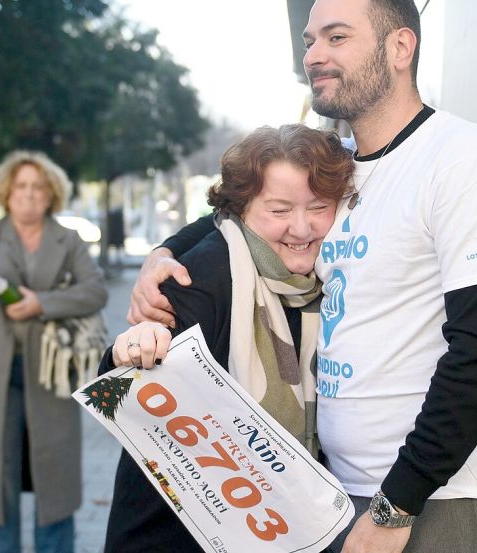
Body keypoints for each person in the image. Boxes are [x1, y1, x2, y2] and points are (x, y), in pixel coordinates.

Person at [127, 1, 477, 551]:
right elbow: (236, 212)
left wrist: (398, 505)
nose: (315, 56)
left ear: (400, 47)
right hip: (332, 493)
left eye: (337, 37)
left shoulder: (465, 162)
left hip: (434, 498)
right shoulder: (338, 168)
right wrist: (161, 253)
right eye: (309, 41)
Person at [97, 124, 354, 553]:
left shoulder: (328, 278)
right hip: (172, 536)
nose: (302, 227)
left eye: (319, 206)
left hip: (277, 532)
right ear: (241, 209)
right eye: (278, 210)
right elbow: (120, 385)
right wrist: (131, 349)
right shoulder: (203, 273)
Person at [0, 151, 107, 553]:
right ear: (7, 193)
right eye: (21, 187)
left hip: (49, 373)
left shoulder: (68, 239)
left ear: (51, 195)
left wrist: (42, 303)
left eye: (38, 187)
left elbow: (96, 291)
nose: (29, 195)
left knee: (55, 482)